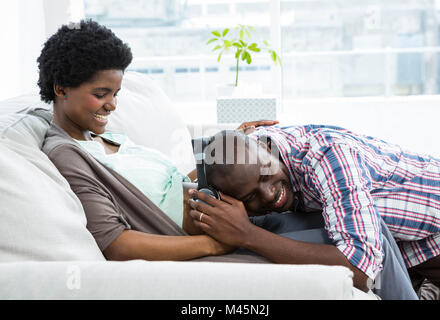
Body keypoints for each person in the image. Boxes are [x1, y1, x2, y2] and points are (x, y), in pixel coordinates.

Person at [38, 19, 277, 264]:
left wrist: (229, 144)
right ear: (61, 89)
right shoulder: (67, 155)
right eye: (100, 95)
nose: (112, 105)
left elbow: (170, 190)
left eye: (115, 94)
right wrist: (216, 245)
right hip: (225, 235)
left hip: (239, 213)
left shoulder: (107, 137)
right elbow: (117, 244)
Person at [187, 125, 440, 299]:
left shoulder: (329, 156)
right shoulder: (250, 153)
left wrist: (247, 234)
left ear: (267, 148)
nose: (268, 194)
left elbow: (361, 268)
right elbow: (211, 166)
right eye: (250, 196)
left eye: (266, 172)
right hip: (406, 245)